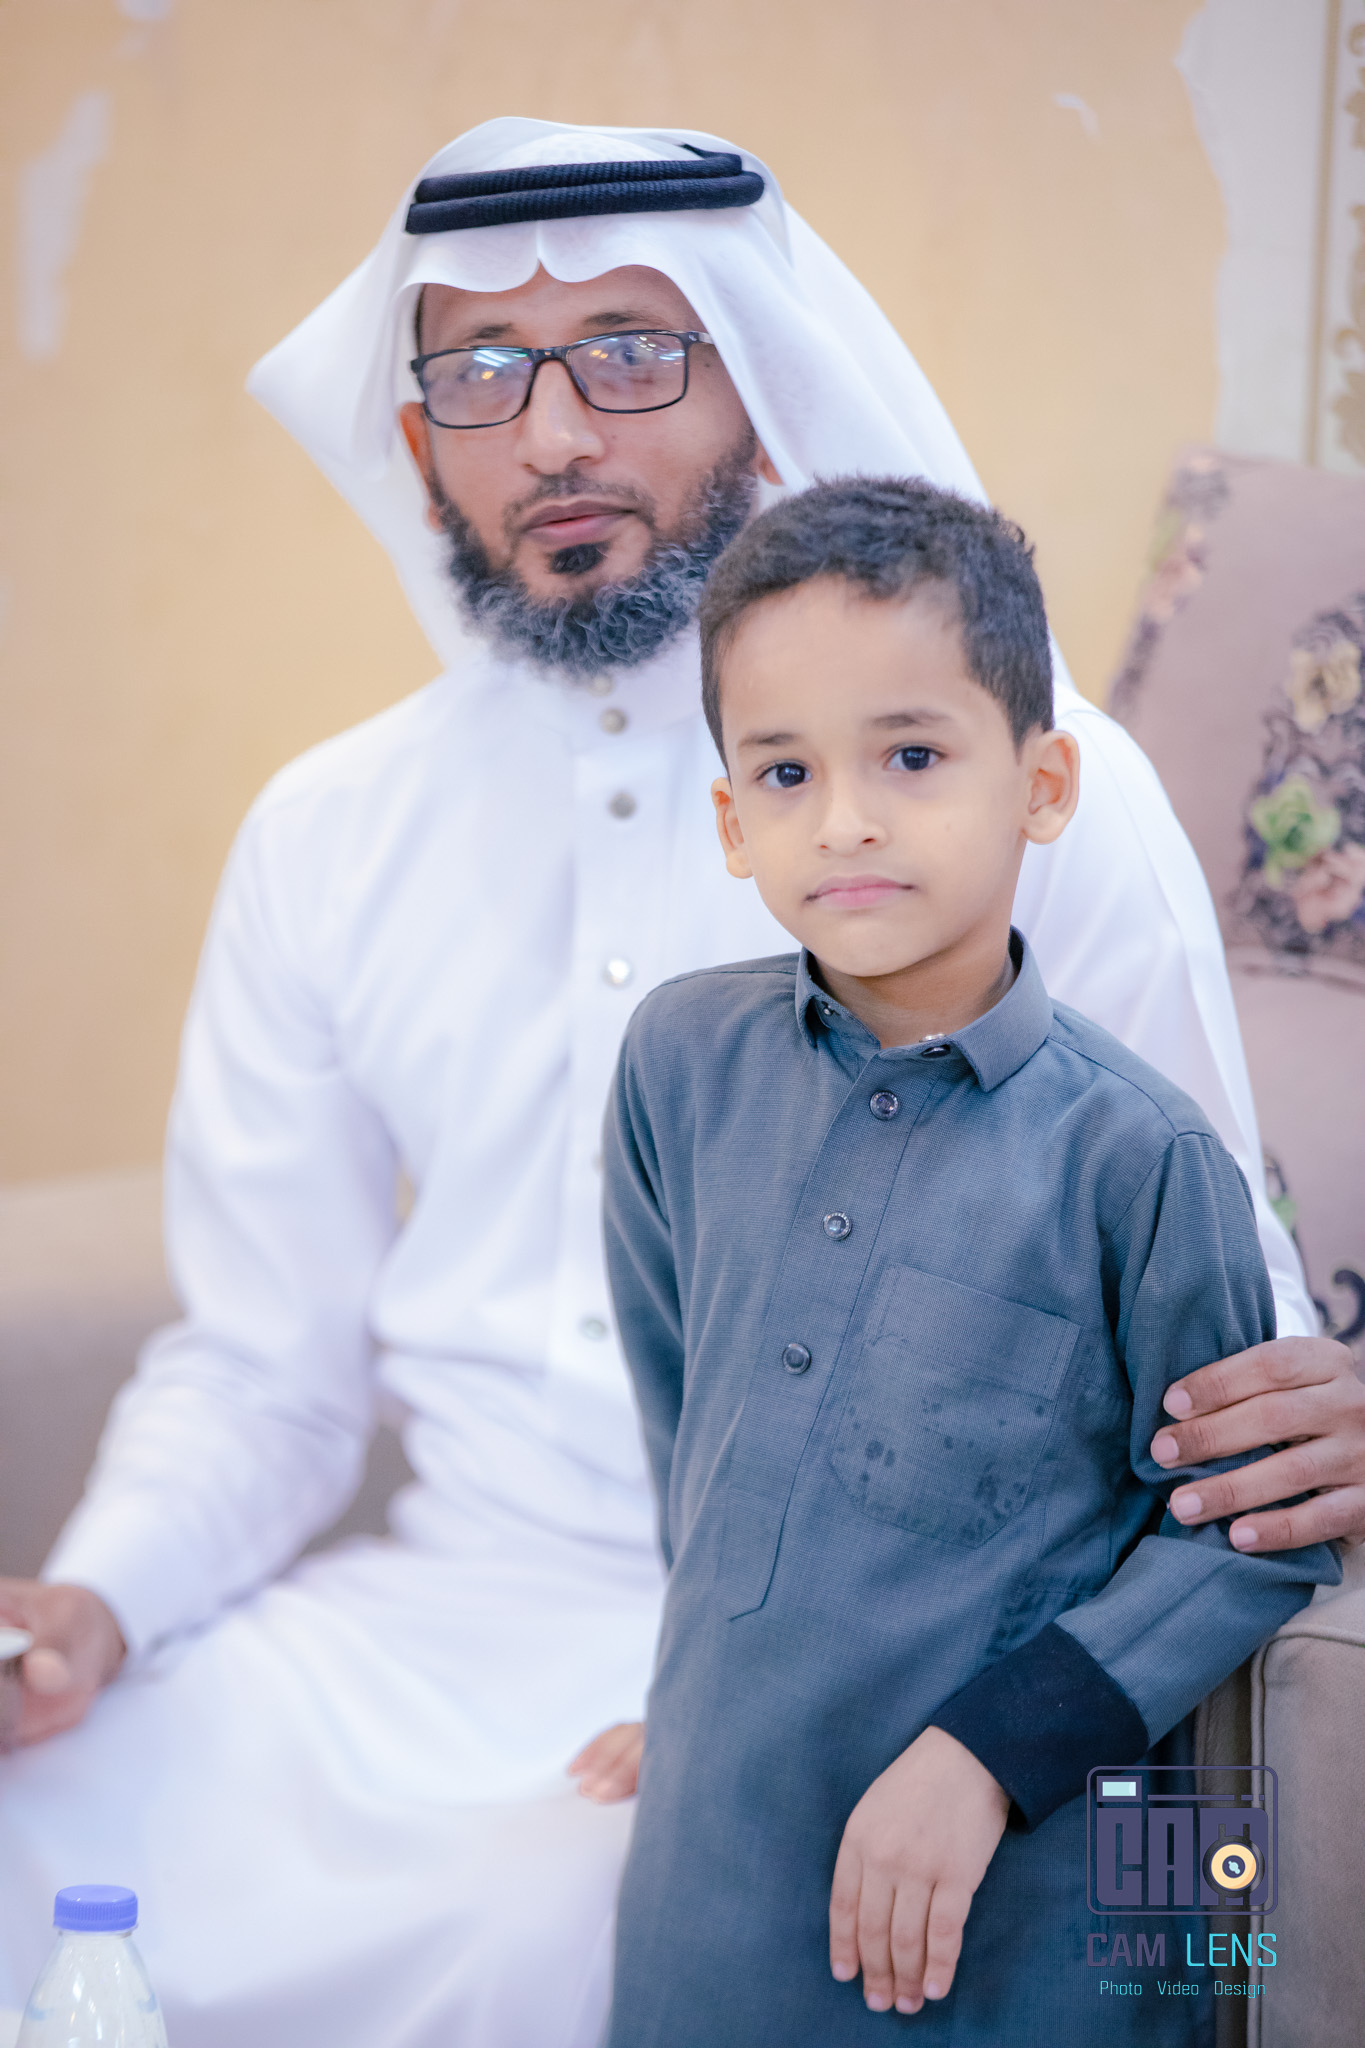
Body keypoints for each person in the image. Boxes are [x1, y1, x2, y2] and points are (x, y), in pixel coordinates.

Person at [0, 118, 1360, 2048]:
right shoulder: (325, 832)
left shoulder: (1034, 789)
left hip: (853, 1662)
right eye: (481, 371)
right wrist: (98, 1598)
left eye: (631, 353)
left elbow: (1218, 1342)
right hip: (417, 1621)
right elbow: (263, 1370)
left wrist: (1301, 1418)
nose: (553, 433)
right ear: (417, 443)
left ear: (760, 378)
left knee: (552, 1933)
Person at [601, 475, 1340, 2047]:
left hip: (1013, 1903)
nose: (844, 819)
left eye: (912, 755)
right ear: (730, 822)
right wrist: (695, 1681)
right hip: (710, 1877)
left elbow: (1247, 1535)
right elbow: (690, 1417)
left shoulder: (1136, 1159)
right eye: (785, 771)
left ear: (1042, 786)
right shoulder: (677, 1066)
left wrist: (987, 1755)